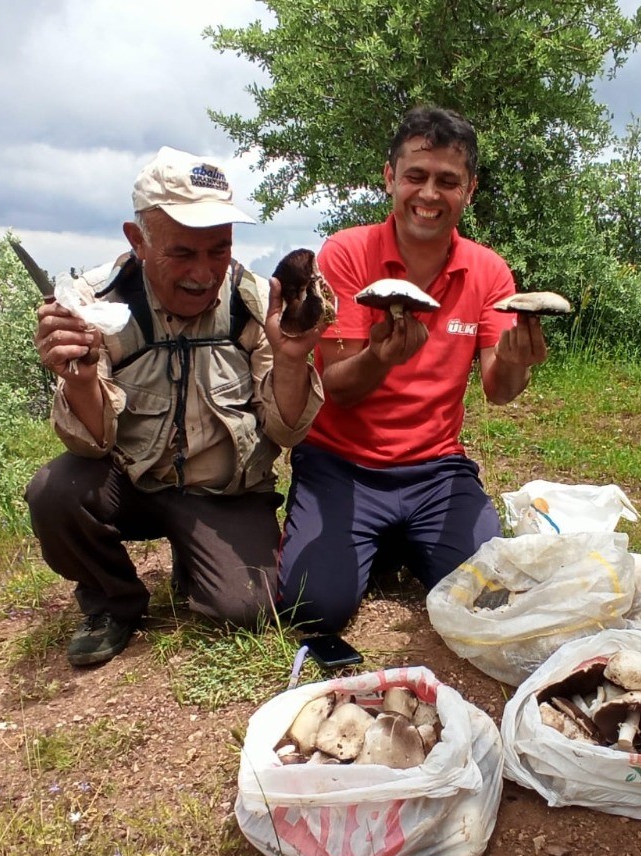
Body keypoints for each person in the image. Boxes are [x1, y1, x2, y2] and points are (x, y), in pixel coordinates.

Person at [27, 146, 325, 666]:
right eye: (183, 252)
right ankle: (112, 601)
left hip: (225, 492)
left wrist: (293, 358)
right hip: (132, 485)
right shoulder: (96, 305)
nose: (204, 272)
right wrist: (77, 378)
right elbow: (91, 443)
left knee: (247, 608)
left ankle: (198, 558)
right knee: (56, 491)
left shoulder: (255, 303)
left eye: (219, 249)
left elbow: (286, 428)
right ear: (137, 240)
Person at [276, 106, 548, 633]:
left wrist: (516, 363)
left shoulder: (489, 271)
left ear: (468, 190)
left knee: (491, 599)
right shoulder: (348, 253)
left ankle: (396, 539)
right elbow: (334, 389)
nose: (429, 195)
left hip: (436, 470)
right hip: (342, 463)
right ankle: (370, 540)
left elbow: (499, 389)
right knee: (314, 611)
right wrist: (380, 357)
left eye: (448, 181)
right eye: (415, 177)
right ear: (390, 179)